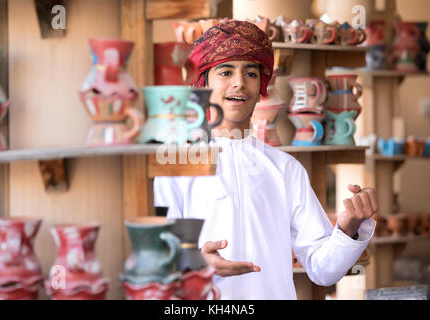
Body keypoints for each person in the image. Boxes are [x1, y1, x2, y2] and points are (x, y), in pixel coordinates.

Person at [154, 20, 378, 300]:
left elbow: (323, 271)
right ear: (203, 83)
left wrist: (348, 229)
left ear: (261, 84)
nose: (239, 82)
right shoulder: (176, 165)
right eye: (225, 71)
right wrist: (197, 265)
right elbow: (155, 262)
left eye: (250, 73)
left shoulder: (285, 169)